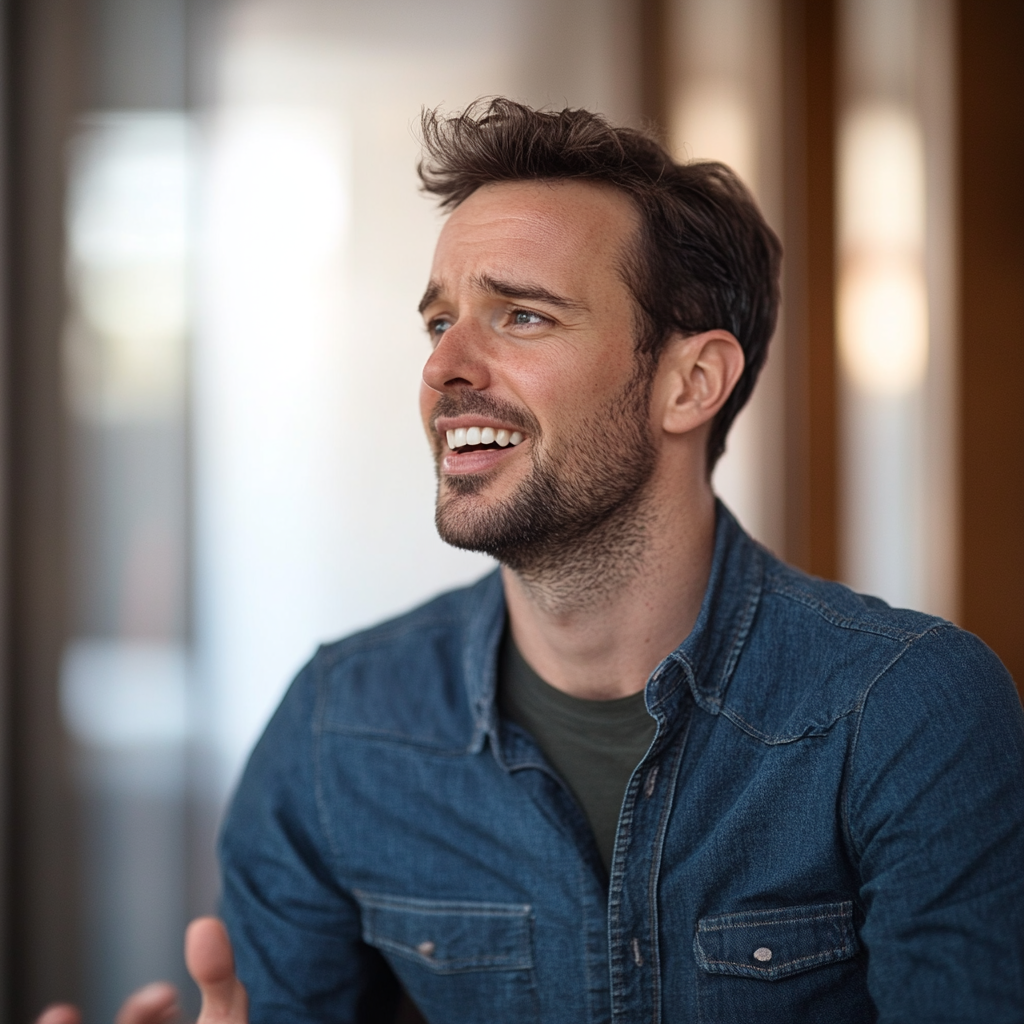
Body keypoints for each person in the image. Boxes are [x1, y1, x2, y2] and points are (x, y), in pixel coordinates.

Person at [43, 99, 1024, 1024]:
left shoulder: (906, 711)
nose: (443, 367)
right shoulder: (335, 730)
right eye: (439, 322)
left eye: (521, 317)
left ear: (689, 382)